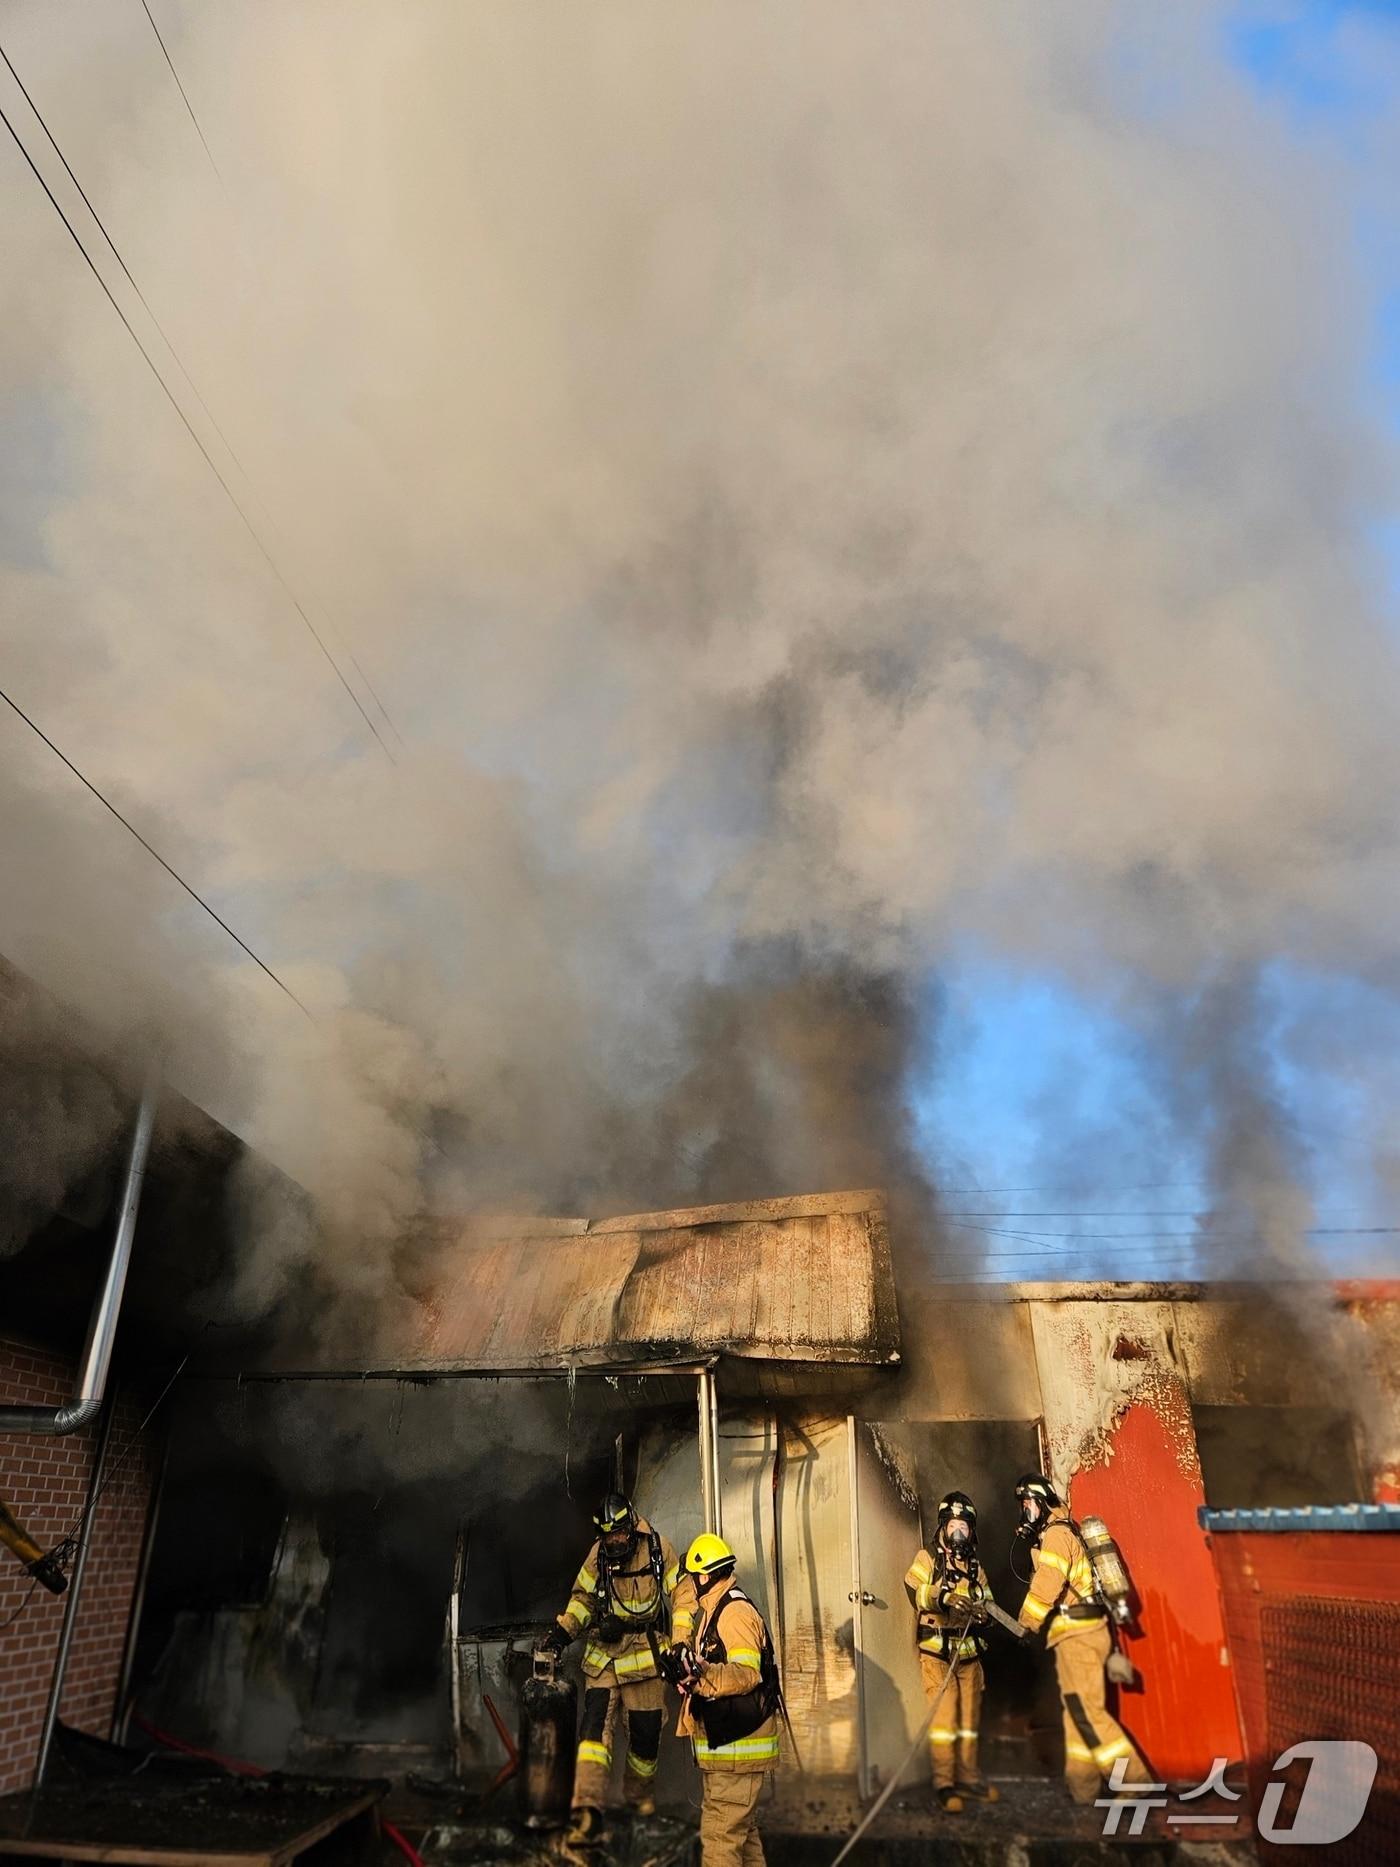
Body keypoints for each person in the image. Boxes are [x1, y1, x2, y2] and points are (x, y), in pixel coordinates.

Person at [540, 1492, 681, 1848]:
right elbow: (583, 1599)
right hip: (603, 1657)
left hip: (645, 1659)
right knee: (593, 1738)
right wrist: (561, 1634)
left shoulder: (658, 1549)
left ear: (630, 1525)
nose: (614, 1541)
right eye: (607, 1536)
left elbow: (683, 1595)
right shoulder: (598, 1555)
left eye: (618, 1534)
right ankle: (586, 1811)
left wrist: (680, 1642)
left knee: (646, 1739)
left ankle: (638, 1804)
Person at [1013, 1473, 1152, 1804]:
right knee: (1076, 1717)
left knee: (1088, 1713)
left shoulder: (1057, 1535)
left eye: (1028, 1503)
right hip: (1075, 1635)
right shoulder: (1060, 1532)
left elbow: (1047, 1583)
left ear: (1043, 1503)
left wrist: (1027, 1622)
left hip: (1079, 1635)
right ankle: (1084, 1790)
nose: (1025, 1511)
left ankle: (1135, 1781)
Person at [675, 1533, 780, 1867]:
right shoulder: (715, 1609)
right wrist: (692, 1678)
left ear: (704, 1576)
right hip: (728, 1753)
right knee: (743, 1840)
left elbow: (746, 1673)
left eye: (692, 1578)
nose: (690, 1585)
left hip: (738, 1750)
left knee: (721, 1841)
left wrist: (703, 1679)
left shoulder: (734, 1613)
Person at [903, 1490, 998, 1811]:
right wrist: (942, 1598)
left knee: (969, 1721)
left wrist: (983, 1613)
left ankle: (968, 1780)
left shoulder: (975, 1567)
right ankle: (945, 1783)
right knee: (945, 1720)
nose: (959, 1534)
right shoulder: (927, 1559)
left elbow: (988, 1602)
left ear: (972, 1531)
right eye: (953, 1526)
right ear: (942, 1527)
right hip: (937, 1653)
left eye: (965, 1528)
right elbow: (912, 1588)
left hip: (969, 1655)